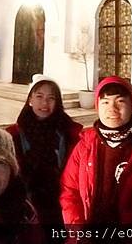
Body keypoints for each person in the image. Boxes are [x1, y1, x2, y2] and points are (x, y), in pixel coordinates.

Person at [60, 76, 132, 229]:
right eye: (105, 102)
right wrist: (78, 230)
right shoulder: (85, 145)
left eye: (120, 101)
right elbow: (69, 190)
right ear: (97, 106)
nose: (112, 108)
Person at [7, 74, 82, 228]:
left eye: (51, 98)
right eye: (39, 96)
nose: (45, 103)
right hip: (26, 204)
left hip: (61, 204)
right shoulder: (13, 134)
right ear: (30, 100)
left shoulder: (70, 133)